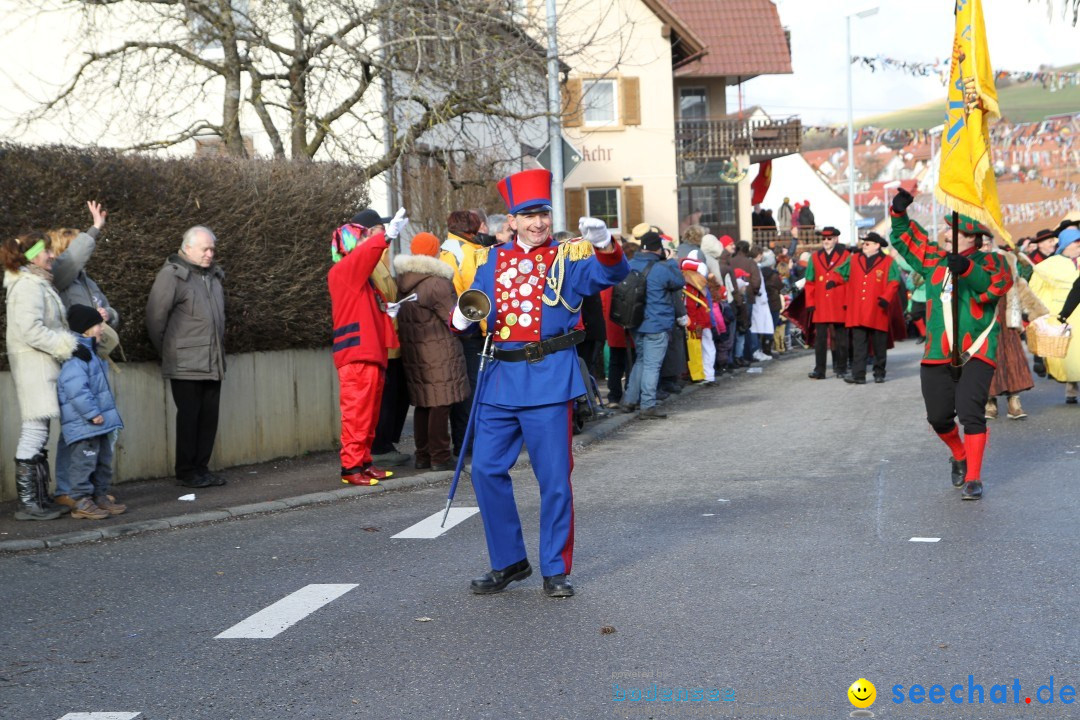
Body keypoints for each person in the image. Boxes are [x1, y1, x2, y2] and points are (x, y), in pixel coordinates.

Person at [452, 168, 628, 598]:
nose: (538, 222)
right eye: (528, 215)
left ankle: (555, 568)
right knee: (487, 470)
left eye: (543, 214)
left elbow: (608, 276)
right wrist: (461, 318)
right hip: (499, 379)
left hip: (549, 378)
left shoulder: (567, 257)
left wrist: (604, 245)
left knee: (553, 478)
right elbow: (476, 307)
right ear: (510, 220)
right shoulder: (492, 260)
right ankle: (509, 561)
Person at [890, 188, 1012, 500]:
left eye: (952, 229)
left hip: (976, 352)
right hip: (936, 354)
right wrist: (899, 213)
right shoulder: (933, 260)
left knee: (971, 414)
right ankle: (958, 453)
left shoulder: (993, 261)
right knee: (939, 417)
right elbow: (906, 240)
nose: (946, 232)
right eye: (946, 228)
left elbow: (993, 288)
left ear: (972, 238)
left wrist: (967, 270)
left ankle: (973, 478)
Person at [326, 210, 408, 485]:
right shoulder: (343, 271)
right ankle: (351, 468)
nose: (366, 244)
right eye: (361, 238)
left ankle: (363, 462)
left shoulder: (357, 277)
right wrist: (385, 235)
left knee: (368, 414)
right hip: (358, 355)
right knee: (358, 414)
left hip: (368, 353)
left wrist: (387, 309)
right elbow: (365, 255)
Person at [3, 231, 78, 521]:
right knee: (34, 431)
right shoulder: (27, 286)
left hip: (41, 366)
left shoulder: (35, 282)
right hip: (34, 367)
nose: (52, 255)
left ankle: (38, 499)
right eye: (47, 251)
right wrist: (66, 345)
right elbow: (30, 330)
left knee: (39, 431)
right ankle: (29, 504)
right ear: (34, 254)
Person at [145, 226, 227, 489]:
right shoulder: (172, 276)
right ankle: (187, 471)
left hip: (212, 361)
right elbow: (155, 319)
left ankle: (201, 469)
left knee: (208, 418)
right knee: (190, 417)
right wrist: (168, 352)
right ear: (188, 247)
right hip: (185, 363)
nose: (210, 254)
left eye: (212, 249)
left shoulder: (213, 277)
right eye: (205, 249)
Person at [393, 232, 469, 471]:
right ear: (434, 251)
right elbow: (454, 318)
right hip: (438, 351)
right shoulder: (437, 282)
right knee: (441, 403)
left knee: (424, 404)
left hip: (415, 352)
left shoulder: (404, 281)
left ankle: (423, 455)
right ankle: (440, 456)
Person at [56, 305, 127, 519]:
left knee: (103, 460)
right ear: (86, 328)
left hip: (98, 423)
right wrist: (91, 412)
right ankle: (81, 501)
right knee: (84, 463)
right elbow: (75, 389)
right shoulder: (78, 356)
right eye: (98, 325)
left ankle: (100, 495)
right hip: (85, 424)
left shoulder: (91, 353)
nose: (102, 329)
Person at [621, 231, 686, 417]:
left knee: (640, 360)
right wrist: (672, 261)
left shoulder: (630, 264)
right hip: (656, 323)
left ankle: (629, 400)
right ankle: (647, 405)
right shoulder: (662, 267)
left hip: (635, 322)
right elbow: (679, 281)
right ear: (658, 248)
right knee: (651, 365)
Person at [366, 211, 411, 469]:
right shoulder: (371, 259)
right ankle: (380, 446)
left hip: (391, 339)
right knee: (385, 399)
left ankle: (385, 443)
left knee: (393, 397)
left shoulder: (380, 258)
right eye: (379, 229)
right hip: (384, 343)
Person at [985, 241, 1047, 420]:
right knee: (988, 359)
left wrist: (1036, 311)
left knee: (1013, 359)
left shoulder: (1007, 259)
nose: (986, 247)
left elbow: (1019, 285)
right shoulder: (971, 261)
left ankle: (1014, 401)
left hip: (1006, 316)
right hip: (983, 317)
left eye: (989, 243)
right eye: (983, 244)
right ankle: (989, 400)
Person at [831, 232, 901, 384]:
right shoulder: (854, 259)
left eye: (867, 244)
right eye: (863, 243)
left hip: (877, 309)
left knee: (879, 345)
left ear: (877, 245)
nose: (864, 246)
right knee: (859, 345)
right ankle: (859, 375)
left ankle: (879, 373)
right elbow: (841, 272)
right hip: (858, 310)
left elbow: (894, 281)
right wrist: (834, 281)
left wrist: (886, 297)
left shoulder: (888, 261)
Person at [1029, 226, 1080, 405]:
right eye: (1076, 242)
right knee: (1069, 353)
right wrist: (1037, 314)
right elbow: (1035, 290)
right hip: (1062, 314)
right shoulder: (1048, 265)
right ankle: (1071, 386)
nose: (1079, 245)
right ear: (1066, 244)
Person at [805, 227, 851, 379]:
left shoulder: (846, 256)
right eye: (824, 239)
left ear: (836, 239)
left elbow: (849, 278)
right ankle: (820, 370)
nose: (826, 241)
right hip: (821, 303)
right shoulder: (815, 257)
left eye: (829, 238)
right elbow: (810, 281)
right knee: (820, 339)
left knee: (841, 338)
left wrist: (847, 301)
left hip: (839, 301)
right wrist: (810, 301)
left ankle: (841, 367)